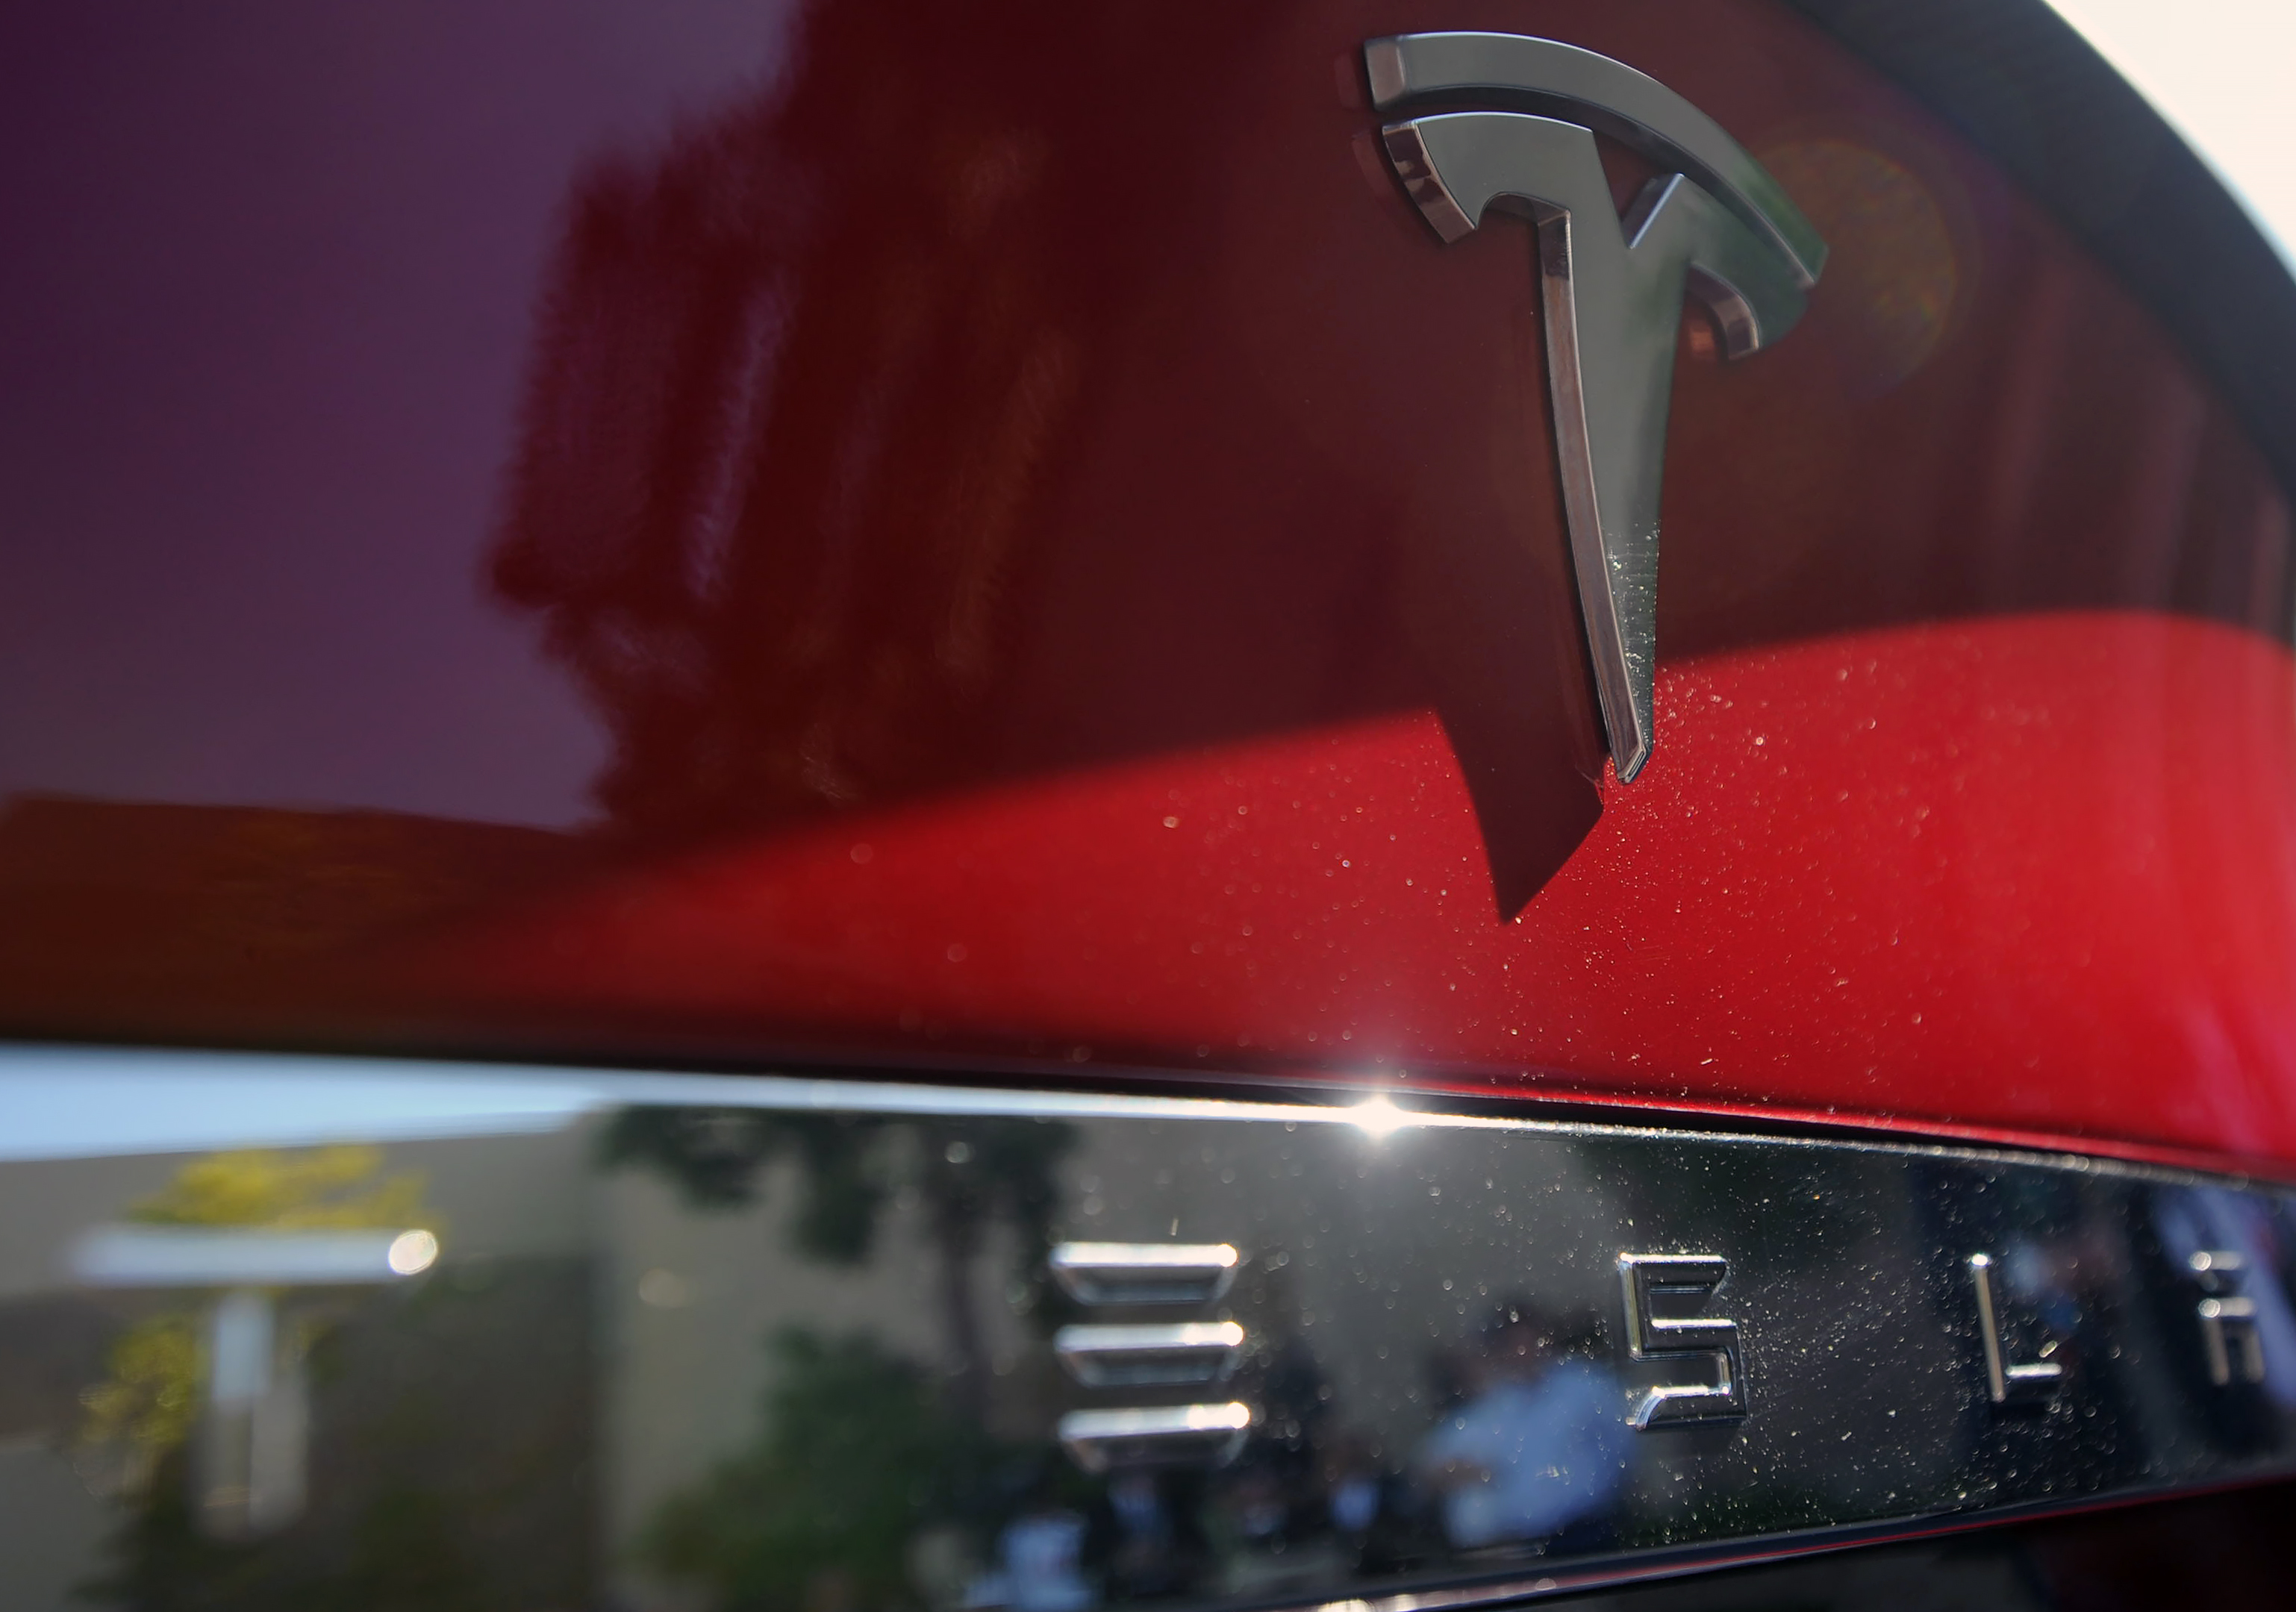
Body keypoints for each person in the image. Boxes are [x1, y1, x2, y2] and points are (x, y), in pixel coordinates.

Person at [1414, 1300, 1628, 1553]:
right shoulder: (1500, 1400)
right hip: (1522, 1547)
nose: (1522, 1351)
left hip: (1588, 1533)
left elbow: (1623, 1449)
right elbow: (1432, 1464)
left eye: (1528, 1341)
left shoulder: (1588, 1386)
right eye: (1513, 1344)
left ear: (1545, 1339)